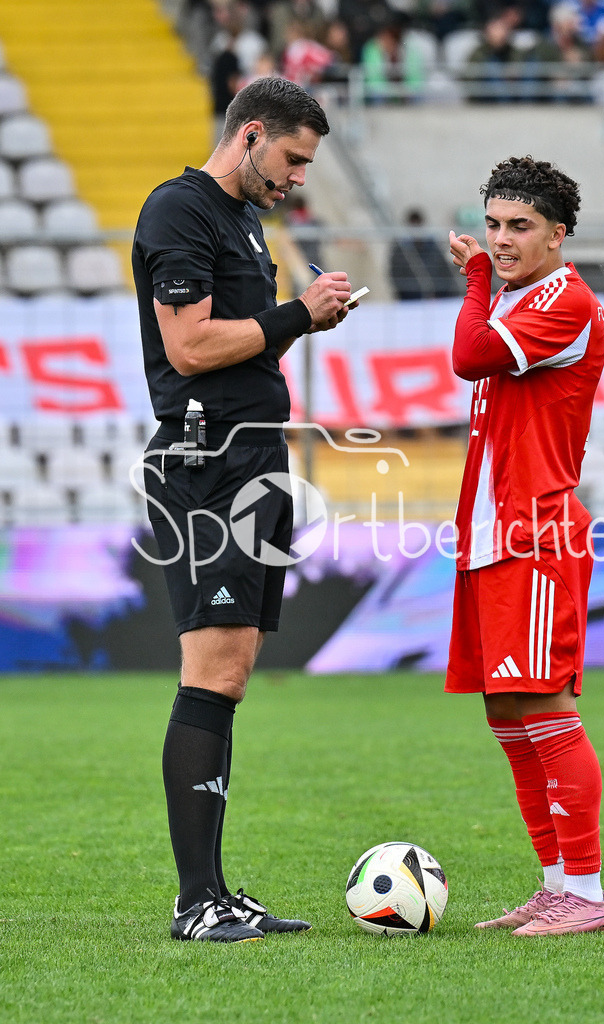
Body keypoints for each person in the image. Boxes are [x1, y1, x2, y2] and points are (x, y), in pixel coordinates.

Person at [132, 76, 354, 944]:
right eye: (293, 158)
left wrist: (295, 321)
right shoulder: (179, 210)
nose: (297, 176)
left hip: (253, 461)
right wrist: (299, 312)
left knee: (231, 676)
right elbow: (188, 347)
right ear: (251, 133)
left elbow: (239, 337)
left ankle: (216, 891)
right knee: (210, 674)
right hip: (207, 465)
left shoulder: (242, 220)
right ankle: (196, 903)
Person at [445, 156, 604, 936]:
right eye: (493, 225)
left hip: (536, 531)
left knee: (546, 704)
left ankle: (585, 891)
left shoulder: (566, 300)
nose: (502, 239)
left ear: (558, 233)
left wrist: (478, 278)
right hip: (488, 536)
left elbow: (469, 356)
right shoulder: (519, 300)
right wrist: (489, 283)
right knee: (509, 714)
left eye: (519, 227)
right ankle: (555, 885)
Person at [390, 208, 459, 300]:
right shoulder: (401, 250)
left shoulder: (433, 247)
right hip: (411, 297)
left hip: (438, 296)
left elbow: (444, 270)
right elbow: (397, 275)